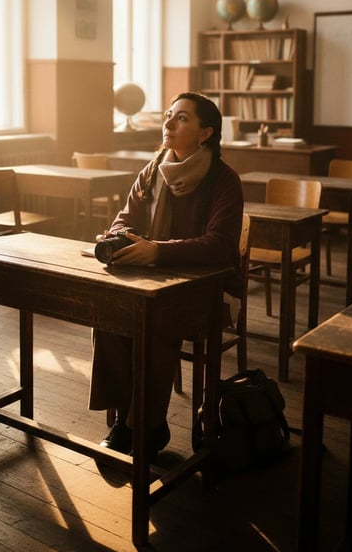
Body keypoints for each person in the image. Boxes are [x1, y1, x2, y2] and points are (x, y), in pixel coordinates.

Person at [89, 92, 244, 460]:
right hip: (155, 280)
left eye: (182, 119)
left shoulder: (224, 180)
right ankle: (136, 419)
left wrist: (157, 250)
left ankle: (142, 424)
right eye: (168, 116)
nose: (169, 124)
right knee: (109, 314)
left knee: (155, 321)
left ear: (205, 133)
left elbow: (219, 245)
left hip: (208, 289)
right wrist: (118, 237)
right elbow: (125, 218)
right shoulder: (153, 169)